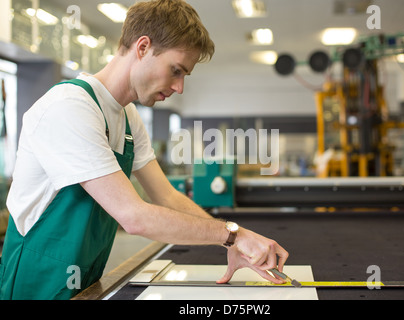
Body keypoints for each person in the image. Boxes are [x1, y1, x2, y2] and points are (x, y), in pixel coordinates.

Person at [0, 0, 289, 300]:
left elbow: (166, 196)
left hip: (84, 283)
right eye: (176, 70)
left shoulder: (128, 118)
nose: (179, 88)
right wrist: (234, 234)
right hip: (35, 286)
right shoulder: (69, 108)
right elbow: (133, 216)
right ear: (142, 48)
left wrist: (231, 242)